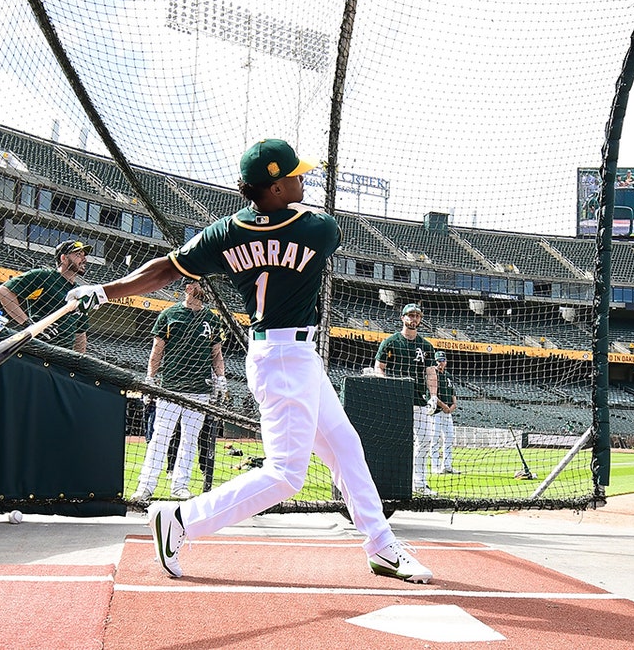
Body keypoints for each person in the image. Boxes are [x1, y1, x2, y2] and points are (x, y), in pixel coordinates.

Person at [65, 138, 431, 584]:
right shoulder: (318, 228)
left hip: (286, 355)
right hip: (285, 359)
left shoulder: (226, 232)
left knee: (345, 446)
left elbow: (164, 268)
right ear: (274, 187)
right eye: (294, 175)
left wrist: (102, 291)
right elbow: (301, 231)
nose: (303, 178)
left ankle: (381, 545)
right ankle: (182, 520)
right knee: (284, 476)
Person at [131, 279, 228, 502]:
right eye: (201, 284)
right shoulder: (169, 314)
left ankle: (180, 486)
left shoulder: (213, 319)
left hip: (200, 389)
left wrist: (221, 378)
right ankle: (145, 487)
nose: (206, 288)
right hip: (171, 388)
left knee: (190, 440)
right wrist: (150, 379)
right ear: (189, 287)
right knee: (159, 438)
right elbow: (157, 350)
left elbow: (217, 354)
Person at [374, 303, 440, 496]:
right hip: (395, 401)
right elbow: (379, 367)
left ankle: (419, 482)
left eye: (417, 316)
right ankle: (388, 481)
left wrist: (434, 396)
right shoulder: (390, 342)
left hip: (418, 400)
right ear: (402, 318)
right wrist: (386, 387)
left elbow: (430, 373)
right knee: (393, 442)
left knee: (426, 440)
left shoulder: (426, 346)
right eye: (410, 315)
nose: (414, 319)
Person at [0, 240, 92, 352]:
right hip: (37, 350)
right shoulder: (44, 276)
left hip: (63, 357)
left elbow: (80, 332)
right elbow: (3, 291)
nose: (84, 259)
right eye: (78, 255)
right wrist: (28, 324)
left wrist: (78, 361)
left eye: (84, 255)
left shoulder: (80, 291)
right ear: (63, 258)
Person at [431, 351, 460, 474]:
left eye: (442, 360)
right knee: (435, 439)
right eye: (438, 361)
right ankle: (435, 467)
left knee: (449, 438)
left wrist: (453, 406)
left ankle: (447, 465)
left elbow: (453, 393)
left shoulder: (448, 375)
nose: (440, 363)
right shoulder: (432, 374)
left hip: (448, 412)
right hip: (436, 411)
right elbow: (432, 395)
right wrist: (443, 406)